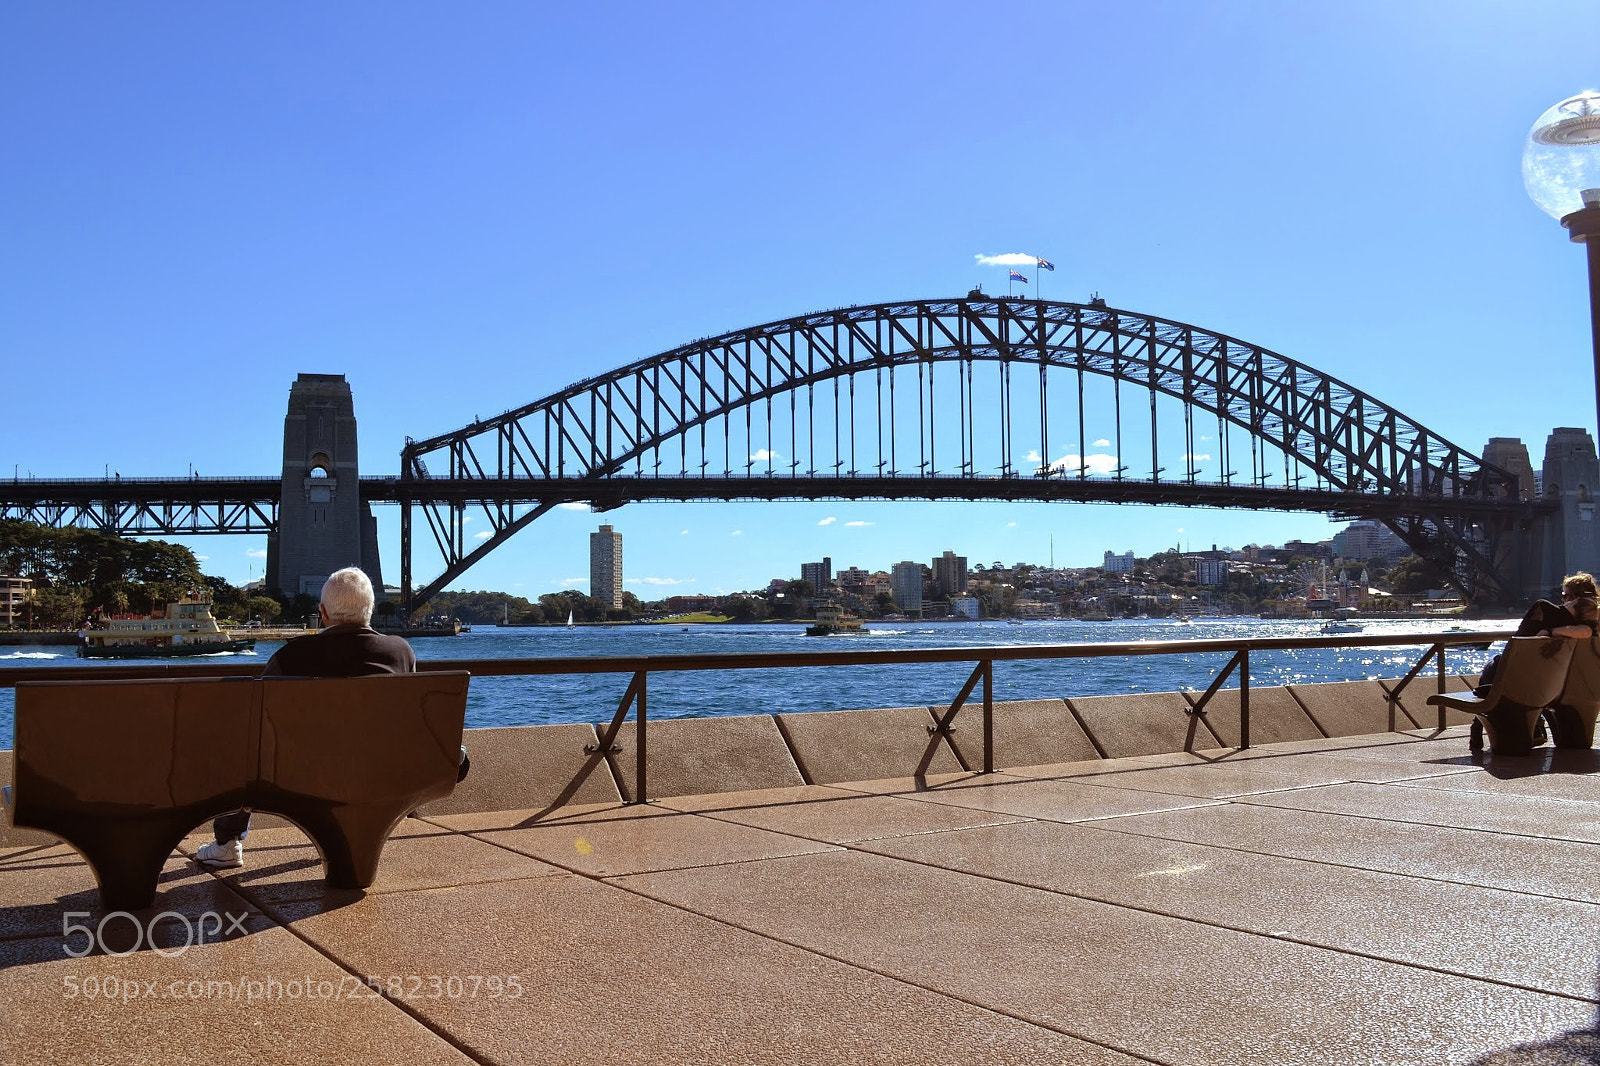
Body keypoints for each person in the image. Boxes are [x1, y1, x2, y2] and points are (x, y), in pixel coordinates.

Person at [194, 567, 417, 869]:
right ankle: (346, 837)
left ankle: (227, 843)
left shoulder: (292, 655)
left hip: (299, 775)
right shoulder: (400, 652)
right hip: (378, 769)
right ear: (371, 609)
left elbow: (257, 721)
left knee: (242, 745)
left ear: (323, 612)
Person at [1473, 571, 1599, 696]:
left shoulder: (1544, 610)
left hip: (1514, 680)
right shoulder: (1590, 629)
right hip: (1559, 688)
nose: (1562, 600)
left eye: (1564, 595)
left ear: (1575, 600)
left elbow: (1517, 647)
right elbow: (1586, 631)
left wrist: (1550, 630)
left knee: (1495, 664)